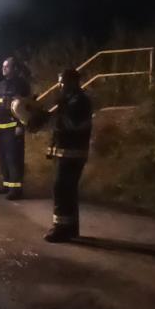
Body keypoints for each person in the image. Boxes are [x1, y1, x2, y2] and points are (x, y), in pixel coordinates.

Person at [28, 67, 93, 242]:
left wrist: (57, 113)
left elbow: (72, 125)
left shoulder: (80, 101)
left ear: (72, 82)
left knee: (62, 190)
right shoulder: (69, 100)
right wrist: (40, 115)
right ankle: (71, 228)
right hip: (66, 153)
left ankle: (61, 229)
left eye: (62, 82)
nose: (59, 86)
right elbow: (58, 122)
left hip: (72, 154)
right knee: (67, 191)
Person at [0, 56, 32, 200]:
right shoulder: (1, 84)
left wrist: (20, 125)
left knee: (14, 159)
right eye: (3, 66)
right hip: (1, 128)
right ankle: (7, 185)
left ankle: (16, 190)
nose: (3, 69)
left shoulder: (21, 85)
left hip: (13, 128)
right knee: (2, 158)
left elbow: (24, 107)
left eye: (7, 66)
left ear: (15, 68)